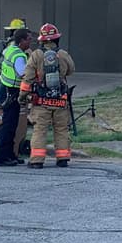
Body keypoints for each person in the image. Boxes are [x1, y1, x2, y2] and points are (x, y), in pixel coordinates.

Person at [20, 23, 75, 168]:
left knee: (40, 130)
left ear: (42, 40)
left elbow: (28, 78)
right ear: (56, 39)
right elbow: (71, 70)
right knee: (61, 130)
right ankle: (62, 159)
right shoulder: (63, 54)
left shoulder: (36, 55)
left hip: (41, 102)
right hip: (60, 101)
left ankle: (37, 161)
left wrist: (22, 95)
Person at [0, 25, 32, 166]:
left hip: (6, 89)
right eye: (28, 39)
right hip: (12, 92)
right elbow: (24, 74)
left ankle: (10, 155)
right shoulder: (19, 55)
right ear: (21, 41)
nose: (30, 42)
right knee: (9, 126)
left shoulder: (9, 49)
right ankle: (2, 157)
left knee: (11, 124)